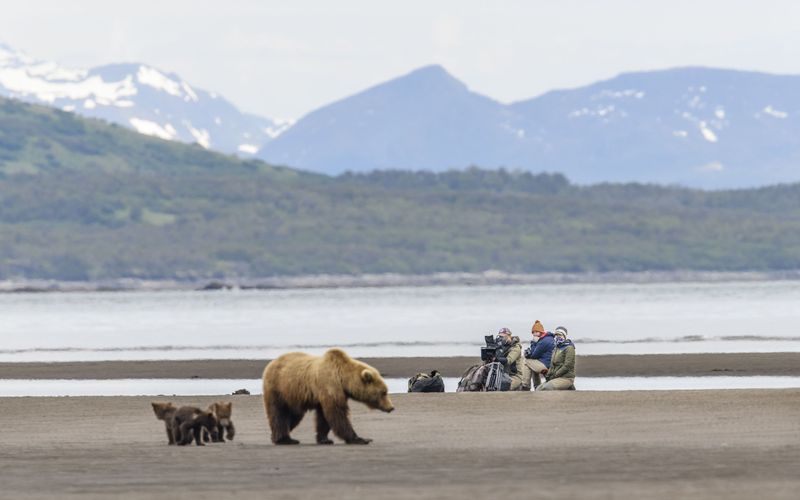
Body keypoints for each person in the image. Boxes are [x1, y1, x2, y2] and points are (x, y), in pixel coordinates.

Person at [521, 320, 555, 390]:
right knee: (532, 365)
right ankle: (537, 387)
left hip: (546, 365)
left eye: (536, 332)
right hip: (548, 363)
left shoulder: (543, 341)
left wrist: (533, 342)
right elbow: (536, 354)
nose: (534, 334)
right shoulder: (548, 338)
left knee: (526, 361)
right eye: (533, 332)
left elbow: (534, 355)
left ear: (541, 331)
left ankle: (525, 385)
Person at [538, 326, 576, 391]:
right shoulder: (556, 348)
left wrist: (555, 375)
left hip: (566, 377)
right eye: (556, 335)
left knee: (548, 387)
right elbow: (552, 365)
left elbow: (568, 365)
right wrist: (548, 375)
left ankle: (568, 386)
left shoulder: (569, 348)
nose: (558, 336)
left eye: (560, 334)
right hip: (556, 377)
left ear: (564, 335)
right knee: (539, 389)